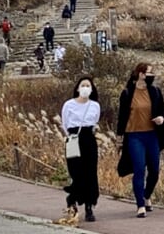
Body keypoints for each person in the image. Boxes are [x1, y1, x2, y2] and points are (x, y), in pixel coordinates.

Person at [116, 63, 164, 217]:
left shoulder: (155, 91)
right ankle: (140, 205)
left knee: (154, 170)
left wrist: (161, 118)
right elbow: (122, 117)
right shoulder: (127, 93)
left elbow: (162, 110)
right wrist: (119, 138)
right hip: (134, 135)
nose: (152, 75)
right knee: (139, 169)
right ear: (141, 74)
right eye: (149, 72)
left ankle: (146, 195)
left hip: (152, 135)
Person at [61, 77, 101, 222]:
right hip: (74, 139)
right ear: (78, 88)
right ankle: (72, 199)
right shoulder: (69, 105)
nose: (85, 88)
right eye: (83, 85)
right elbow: (65, 123)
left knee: (90, 173)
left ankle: (89, 206)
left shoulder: (94, 105)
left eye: (88, 85)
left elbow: (95, 121)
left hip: (88, 139)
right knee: (76, 173)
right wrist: (70, 136)